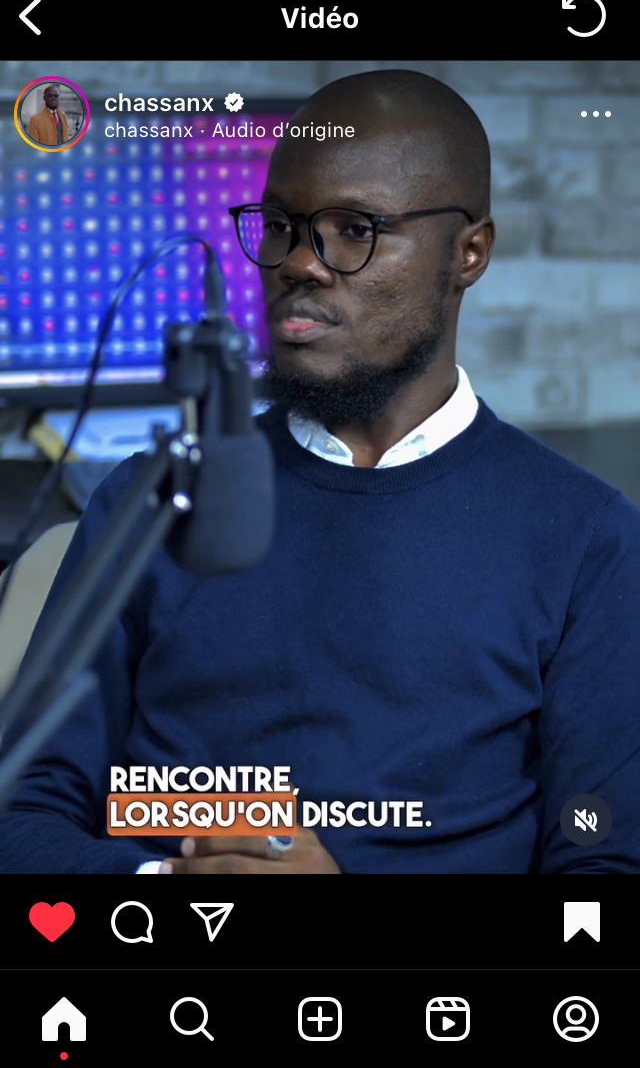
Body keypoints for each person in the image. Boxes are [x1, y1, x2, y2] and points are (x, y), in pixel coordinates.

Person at [1, 69, 639, 874]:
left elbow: (601, 868)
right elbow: (25, 813)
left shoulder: (586, 539)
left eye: (355, 229)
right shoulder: (149, 502)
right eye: (281, 227)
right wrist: (172, 882)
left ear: (469, 252)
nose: (301, 262)